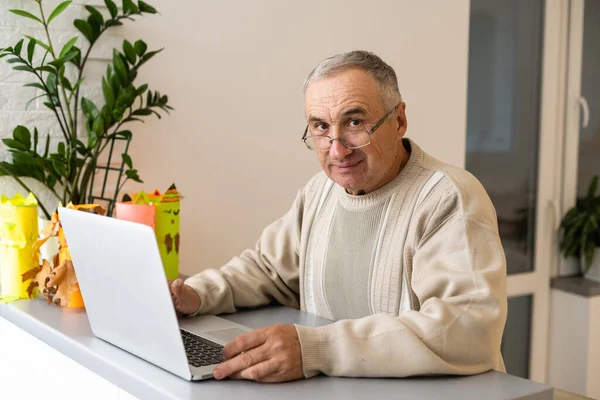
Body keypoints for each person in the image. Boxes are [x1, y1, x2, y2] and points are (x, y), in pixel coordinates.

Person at [169, 50, 507, 383]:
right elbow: (267, 268)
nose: (337, 149)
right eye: (320, 127)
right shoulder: (320, 191)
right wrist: (196, 295)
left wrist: (314, 349)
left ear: (399, 120)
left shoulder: (448, 197)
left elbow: (466, 327)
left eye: (355, 122)